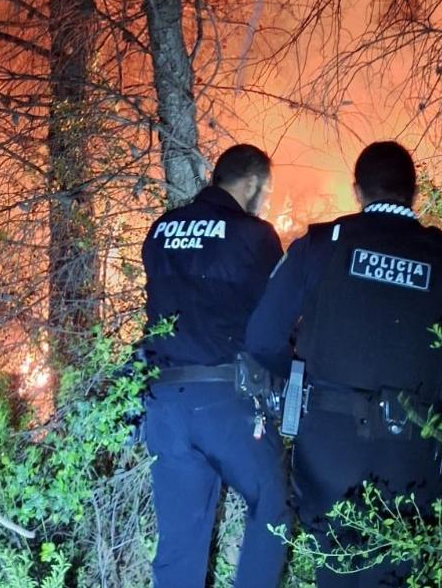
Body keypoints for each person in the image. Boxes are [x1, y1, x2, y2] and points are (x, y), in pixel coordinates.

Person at [245, 141, 442, 587]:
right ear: (415, 194)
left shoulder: (319, 247)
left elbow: (262, 340)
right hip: (414, 458)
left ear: (357, 190)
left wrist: (298, 382)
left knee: (337, 570)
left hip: (328, 453)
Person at [140, 144, 291, 588]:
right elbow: (276, 319)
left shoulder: (161, 229)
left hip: (163, 405)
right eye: (266, 192)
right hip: (224, 401)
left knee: (178, 546)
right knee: (274, 501)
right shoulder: (255, 236)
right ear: (251, 184)